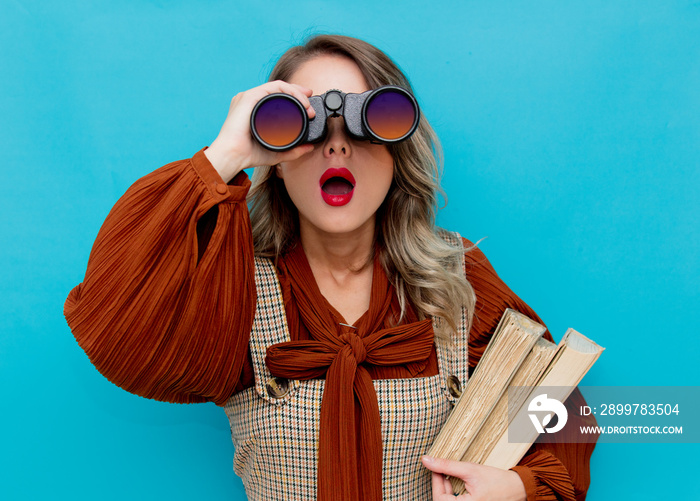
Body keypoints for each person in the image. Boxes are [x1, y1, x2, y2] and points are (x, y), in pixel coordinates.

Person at [64, 34, 596, 500]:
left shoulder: (455, 280)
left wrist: (520, 488)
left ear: (397, 149)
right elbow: (115, 327)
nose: (337, 143)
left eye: (370, 121)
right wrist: (225, 154)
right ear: (275, 154)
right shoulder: (234, 288)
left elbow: (567, 411)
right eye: (310, 123)